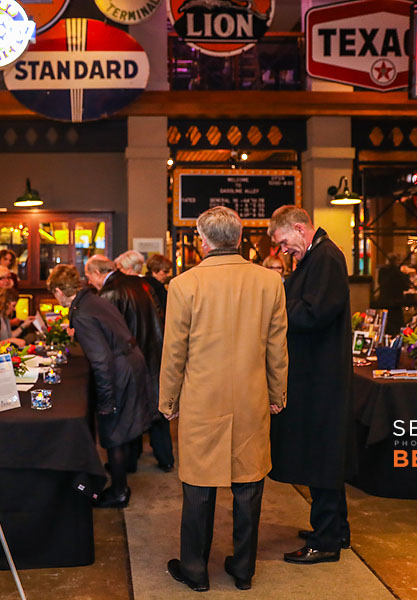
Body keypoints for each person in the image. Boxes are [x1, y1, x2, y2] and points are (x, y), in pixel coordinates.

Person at [161, 206, 289, 592]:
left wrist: (168, 401)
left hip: (202, 400)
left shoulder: (184, 284)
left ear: (203, 240)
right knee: (249, 485)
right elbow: (277, 347)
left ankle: (196, 570)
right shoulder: (269, 283)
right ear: (238, 238)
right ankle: (244, 569)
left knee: (199, 487)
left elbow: (174, 352)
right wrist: (277, 390)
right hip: (251, 398)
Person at [268, 205, 355, 565]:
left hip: (322, 377)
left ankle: (326, 541)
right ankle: (336, 530)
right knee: (326, 454)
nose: (282, 250)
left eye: (284, 241)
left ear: (300, 228)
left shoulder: (326, 258)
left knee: (322, 455)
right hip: (319, 373)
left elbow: (314, 313)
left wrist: (273, 311)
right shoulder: (316, 257)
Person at [47, 265, 156, 508]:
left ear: (58, 291)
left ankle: (119, 492)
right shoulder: (92, 300)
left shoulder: (82, 313)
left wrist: (106, 401)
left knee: (112, 432)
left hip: (119, 369)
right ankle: (120, 478)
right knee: (121, 429)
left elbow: (101, 360)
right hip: (131, 361)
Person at [86, 255, 174, 472]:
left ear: (98, 273)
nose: (89, 282)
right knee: (156, 409)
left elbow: (110, 331)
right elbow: (161, 317)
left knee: (131, 412)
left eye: (89, 276)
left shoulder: (110, 292)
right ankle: (166, 458)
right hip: (155, 351)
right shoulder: (144, 284)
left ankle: (128, 462)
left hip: (131, 357)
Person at [143, 253, 172, 319]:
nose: (167, 275)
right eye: (165, 272)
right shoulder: (158, 289)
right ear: (154, 271)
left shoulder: (142, 284)